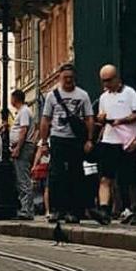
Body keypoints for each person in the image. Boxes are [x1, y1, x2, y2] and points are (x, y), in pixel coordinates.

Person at [38, 64, 94, 222]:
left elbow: (89, 117)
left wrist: (89, 139)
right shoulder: (52, 95)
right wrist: (44, 142)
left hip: (75, 140)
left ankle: (74, 211)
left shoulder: (82, 95)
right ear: (60, 78)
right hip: (58, 138)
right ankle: (57, 210)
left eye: (71, 77)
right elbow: (45, 119)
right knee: (56, 175)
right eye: (65, 78)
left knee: (76, 174)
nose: (68, 80)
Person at [95, 65, 136, 224]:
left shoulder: (130, 93)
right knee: (105, 177)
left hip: (126, 141)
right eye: (103, 81)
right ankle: (104, 210)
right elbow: (101, 117)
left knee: (127, 178)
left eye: (108, 80)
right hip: (109, 139)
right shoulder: (103, 97)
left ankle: (131, 209)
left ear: (117, 78)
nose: (106, 84)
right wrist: (101, 119)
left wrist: (122, 120)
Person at [9, 89, 36, 219]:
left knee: (23, 179)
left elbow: (23, 130)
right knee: (22, 178)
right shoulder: (23, 111)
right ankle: (26, 208)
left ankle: (27, 210)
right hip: (23, 147)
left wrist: (18, 148)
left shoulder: (24, 111)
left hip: (23, 148)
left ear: (15, 99)